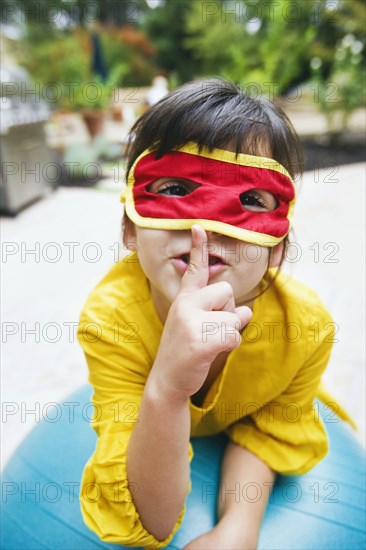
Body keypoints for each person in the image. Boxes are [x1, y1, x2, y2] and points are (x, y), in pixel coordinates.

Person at [77, 78, 338, 549]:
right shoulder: (110, 319)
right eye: (175, 188)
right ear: (129, 229)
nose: (203, 227)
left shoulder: (305, 328)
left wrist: (239, 526)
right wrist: (167, 386)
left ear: (277, 249)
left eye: (249, 200)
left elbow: (265, 429)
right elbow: (147, 522)